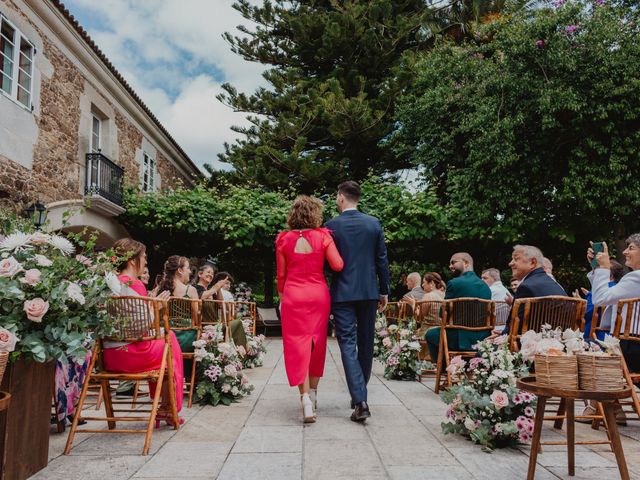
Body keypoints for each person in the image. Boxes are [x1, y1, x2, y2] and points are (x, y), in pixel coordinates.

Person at [276, 195, 344, 423]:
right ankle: (313, 395)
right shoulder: (324, 237)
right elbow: (337, 265)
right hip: (317, 295)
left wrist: (282, 298)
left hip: (293, 296)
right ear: (315, 214)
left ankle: (304, 399)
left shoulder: (283, 239)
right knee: (316, 344)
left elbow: (281, 275)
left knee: (297, 346)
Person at [326, 181, 390, 423]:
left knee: (347, 344)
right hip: (368, 291)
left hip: (342, 293)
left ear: (341, 197)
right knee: (366, 342)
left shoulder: (331, 226)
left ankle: (360, 399)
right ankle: (359, 395)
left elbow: (327, 264)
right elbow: (382, 259)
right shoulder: (373, 223)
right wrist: (384, 291)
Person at [104, 238, 185, 425]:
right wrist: (156, 307)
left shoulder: (110, 283)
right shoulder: (134, 284)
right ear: (133, 261)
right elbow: (142, 328)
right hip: (129, 355)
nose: (146, 261)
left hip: (108, 355)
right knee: (169, 339)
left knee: (166, 344)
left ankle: (166, 406)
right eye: (144, 257)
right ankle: (168, 407)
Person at [425, 253, 492, 364]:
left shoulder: (454, 284)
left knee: (430, 334)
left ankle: (444, 370)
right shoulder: (485, 287)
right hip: (483, 338)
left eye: (453, 262)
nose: (450, 266)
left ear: (466, 263)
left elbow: (443, 313)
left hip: (460, 338)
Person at [588, 236, 640, 373]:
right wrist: (597, 269)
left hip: (630, 345)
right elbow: (604, 295)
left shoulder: (636, 277)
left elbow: (600, 299)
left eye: (631, 248)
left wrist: (604, 267)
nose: (624, 252)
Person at [501, 245, 567, 335]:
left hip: (534, 344)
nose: (510, 263)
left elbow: (515, 326)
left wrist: (501, 336)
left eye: (516, 259)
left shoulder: (526, 287)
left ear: (532, 262)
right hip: (560, 341)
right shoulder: (554, 284)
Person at [575, 259, 624, 341]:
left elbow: (585, 314)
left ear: (608, 276)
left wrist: (580, 304)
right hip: (617, 338)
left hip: (596, 338)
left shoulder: (598, 292)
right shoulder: (621, 290)